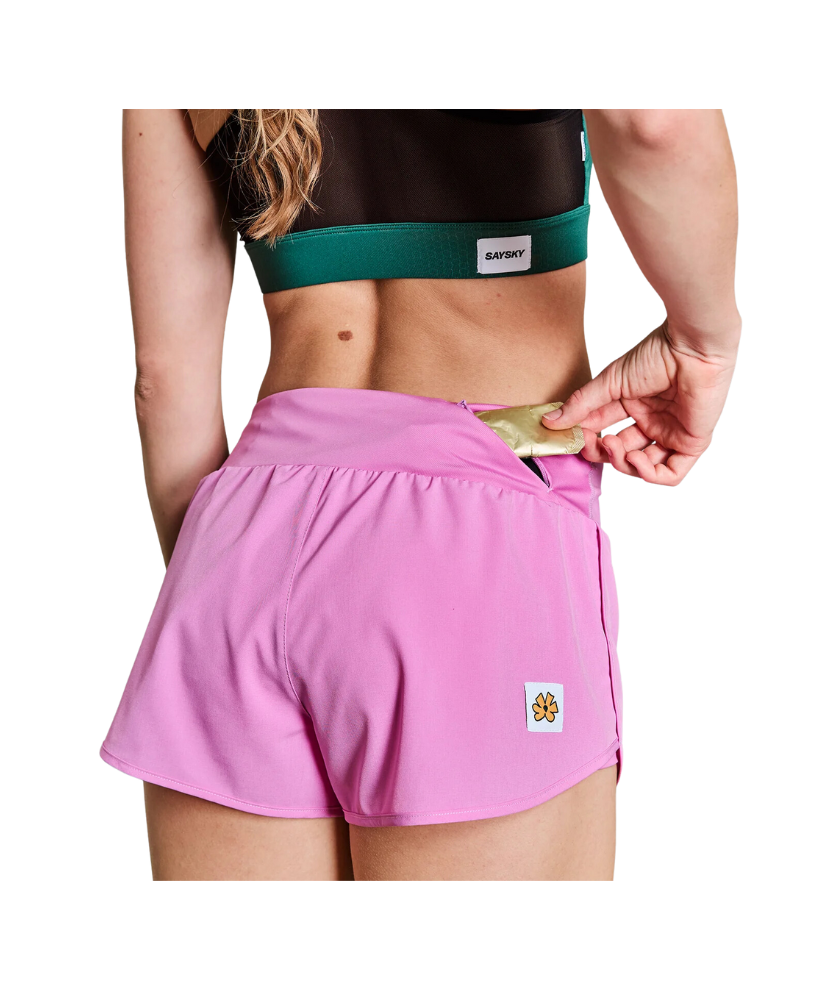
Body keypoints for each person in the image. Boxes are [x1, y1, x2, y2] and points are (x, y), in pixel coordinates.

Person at [102, 109, 740, 881]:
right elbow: (654, 120)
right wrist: (704, 339)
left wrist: (229, 590)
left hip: (241, 548)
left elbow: (163, 384)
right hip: (472, 545)